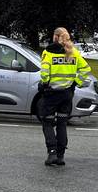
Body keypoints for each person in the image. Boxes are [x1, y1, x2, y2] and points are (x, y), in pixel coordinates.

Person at [38, 27, 91, 166]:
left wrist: (44, 84)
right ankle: (61, 156)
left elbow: (44, 73)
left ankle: (52, 153)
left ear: (55, 37)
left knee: (47, 122)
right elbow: (86, 69)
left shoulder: (48, 52)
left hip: (51, 93)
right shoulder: (73, 52)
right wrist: (76, 83)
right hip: (67, 94)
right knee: (62, 124)